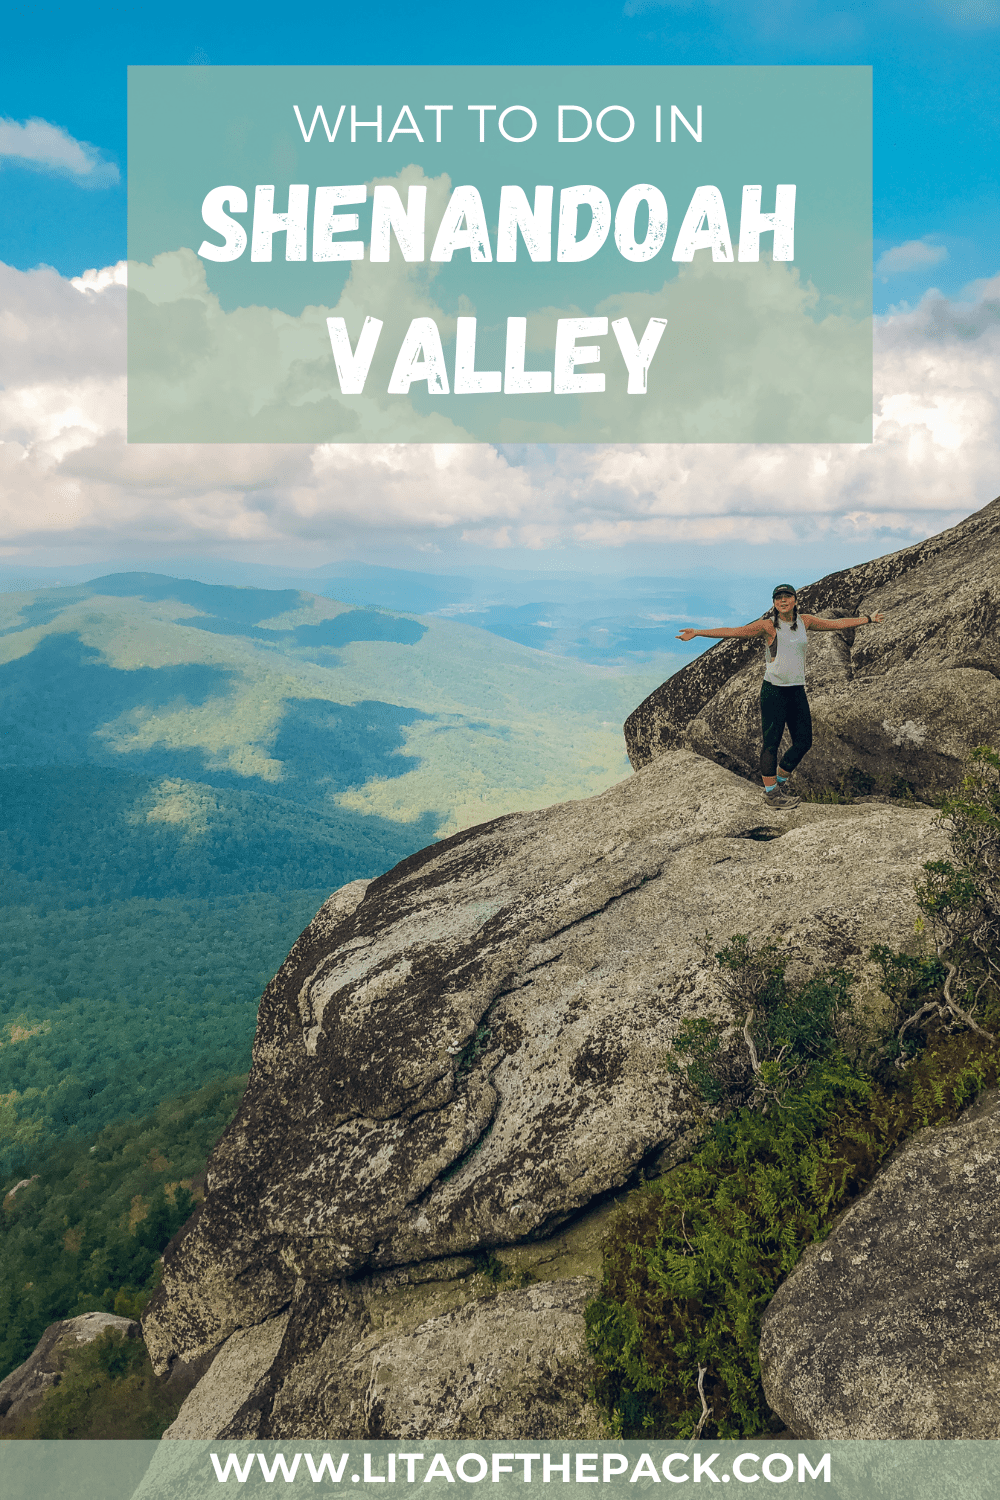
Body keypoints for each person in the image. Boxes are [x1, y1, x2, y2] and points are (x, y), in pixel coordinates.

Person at [675, 584, 884, 809]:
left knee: (804, 741)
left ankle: (779, 782)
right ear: (774, 603)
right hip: (774, 690)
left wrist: (867, 619)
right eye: (778, 598)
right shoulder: (768, 626)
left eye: (787, 597)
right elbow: (733, 631)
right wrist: (697, 632)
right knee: (771, 743)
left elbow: (836, 624)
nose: (782, 601)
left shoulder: (806, 621)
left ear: (795, 600)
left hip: (796, 689)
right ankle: (771, 793)